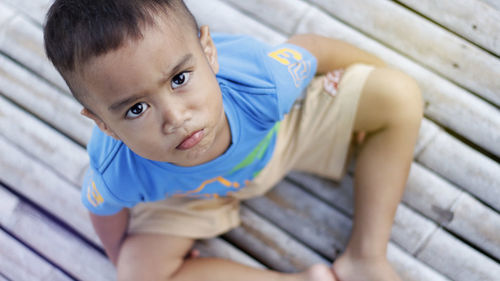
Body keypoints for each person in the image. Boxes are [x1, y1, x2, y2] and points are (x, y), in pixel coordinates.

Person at [44, 0, 423, 280]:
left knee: (397, 94)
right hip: (186, 197)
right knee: (136, 273)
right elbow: (103, 210)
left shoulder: (261, 80)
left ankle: (366, 253)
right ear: (103, 124)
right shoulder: (117, 170)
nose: (176, 119)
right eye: (136, 109)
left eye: (179, 79)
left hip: (278, 139)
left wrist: (367, 84)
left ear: (209, 52)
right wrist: (118, 254)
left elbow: (315, 48)